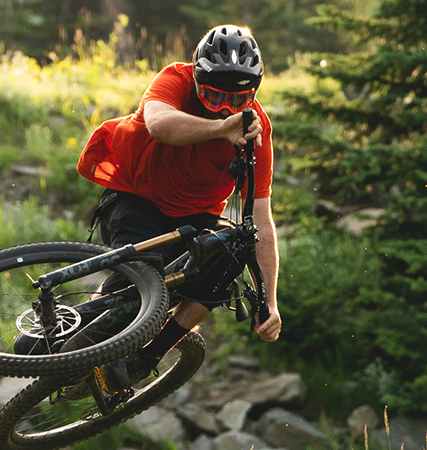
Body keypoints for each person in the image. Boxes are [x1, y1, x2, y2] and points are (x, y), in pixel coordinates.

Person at [73, 24, 282, 387]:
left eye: (238, 100)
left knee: (230, 255)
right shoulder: (174, 78)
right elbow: (158, 124)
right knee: (144, 279)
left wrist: (271, 302)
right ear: (198, 78)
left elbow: (261, 222)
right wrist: (221, 129)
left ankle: (145, 359)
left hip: (196, 214)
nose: (225, 110)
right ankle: (81, 331)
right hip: (135, 194)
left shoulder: (256, 133)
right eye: (215, 97)